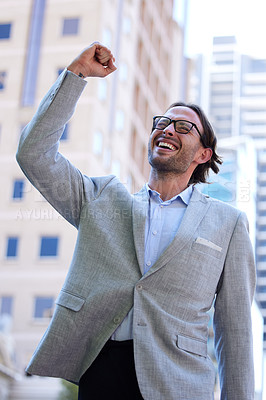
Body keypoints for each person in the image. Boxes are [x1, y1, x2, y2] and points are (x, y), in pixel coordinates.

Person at [16, 42, 256, 400]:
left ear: (203, 154)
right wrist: (76, 74)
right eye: (161, 122)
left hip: (181, 380)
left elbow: (234, 329)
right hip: (103, 372)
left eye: (183, 127)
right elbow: (34, 154)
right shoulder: (101, 200)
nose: (167, 129)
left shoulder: (228, 223)